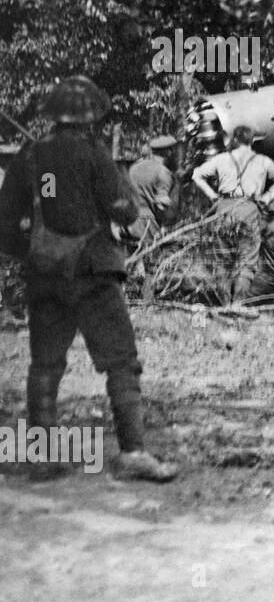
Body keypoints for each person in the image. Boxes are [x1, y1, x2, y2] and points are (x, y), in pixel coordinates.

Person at [0, 76, 177, 481]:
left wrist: (33, 252)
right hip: (94, 272)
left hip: (46, 276)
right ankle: (132, 453)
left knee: (45, 365)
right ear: (92, 117)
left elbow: (4, 223)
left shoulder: (30, 156)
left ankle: (42, 457)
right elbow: (124, 210)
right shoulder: (95, 154)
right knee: (121, 362)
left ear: (53, 115)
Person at [191, 126, 274, 302]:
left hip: (224, 208)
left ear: (234, 140)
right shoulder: (263, 161)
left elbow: (196, 175)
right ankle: (238, 305)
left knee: (222, 260)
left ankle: (224, 305)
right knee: (247, 261)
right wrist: (267, 198)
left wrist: (212, 196)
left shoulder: (221, 159)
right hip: (249, 209)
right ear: (252, 140)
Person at [126, 134, 179, 238]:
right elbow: (161, 206)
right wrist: (166, 226)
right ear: (169, 152)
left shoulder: (134, 167)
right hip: (146, 224)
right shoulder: (163, 172)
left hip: (128, 221)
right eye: (174, 151)